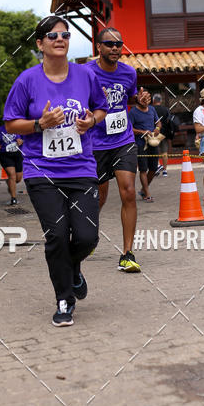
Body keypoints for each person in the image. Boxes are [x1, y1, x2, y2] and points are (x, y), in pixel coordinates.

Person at [4, 16, 108, 327]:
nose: (59, 39)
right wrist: (39, 124)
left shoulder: (85, 75)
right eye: (52, 35)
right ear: (40, 43)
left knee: (88, 236)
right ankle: (64, 297)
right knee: (57, 236)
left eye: (64, 34)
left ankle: (73, 268)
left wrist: (91, 122)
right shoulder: (26, 80)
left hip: (81, 167)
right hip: (42, 170)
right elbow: (10, 123)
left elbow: (102, 108)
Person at [86, 27, 141, 273]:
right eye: (109, 44)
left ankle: (127, 253)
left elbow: (130, 98)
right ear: (99, 46)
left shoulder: (130, 73)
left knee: (129, 191)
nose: (115, 48)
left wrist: (139, 101)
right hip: (95, 144)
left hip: (123, 140)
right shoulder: (86, 73)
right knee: (98, 198)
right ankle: (90, 237)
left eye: (119, 44)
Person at [129, 89, 161, 202]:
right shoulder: (132, 112)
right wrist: (142, 132)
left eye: (147, 98)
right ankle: (147, 194)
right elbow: (130, 129)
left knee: (153, 168)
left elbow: (158, 122)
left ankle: (143, 189)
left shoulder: (152, 109)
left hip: (153, 141)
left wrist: (157, 129)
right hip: (140, 144)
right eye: (143, 98)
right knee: (143, 169)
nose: (145, 101)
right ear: (137, 99)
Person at [0, 123, 24, 205]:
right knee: (12, 175)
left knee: (18, 179)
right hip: (5, 155)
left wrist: (21, 141)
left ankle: (9, 181)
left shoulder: (19, 127)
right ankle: (13, 198)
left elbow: (26, 139)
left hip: (17, 155)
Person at [152, 93, 179, 175]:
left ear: (153, 100)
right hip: (164, 133)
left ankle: (156, 167)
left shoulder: (151, 109)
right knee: (164, 152)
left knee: (154, 151)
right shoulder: (165, 109)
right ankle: (165, 170)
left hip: (154, 132)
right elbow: (169, 121)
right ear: (160, 101)